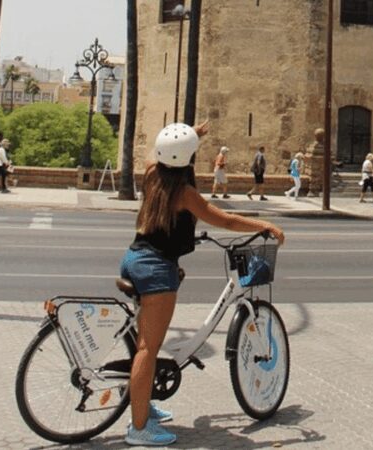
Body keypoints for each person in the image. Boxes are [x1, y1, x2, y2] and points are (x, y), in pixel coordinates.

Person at [120, 122, 284, 446]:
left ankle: (144, 407)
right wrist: (264, 224)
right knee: (147, 349)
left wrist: (190, 134)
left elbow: (161, 152)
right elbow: (224, 220)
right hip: (155, 269)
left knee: (145, 344)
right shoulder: (184, 194)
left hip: (135, 257)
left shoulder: (152, 175)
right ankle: (139, 430)